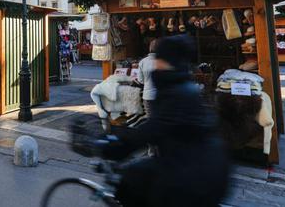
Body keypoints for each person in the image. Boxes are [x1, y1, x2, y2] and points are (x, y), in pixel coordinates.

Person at [86, 35, 230, 207]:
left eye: (160, 59)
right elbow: (159, 127)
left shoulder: (176, 92)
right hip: (208, 167)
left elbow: (153, 128)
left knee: (135, 178)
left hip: (193, 174)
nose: (156, 63)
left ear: (165, 59)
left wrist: (118, 146)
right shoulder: (185, 87)